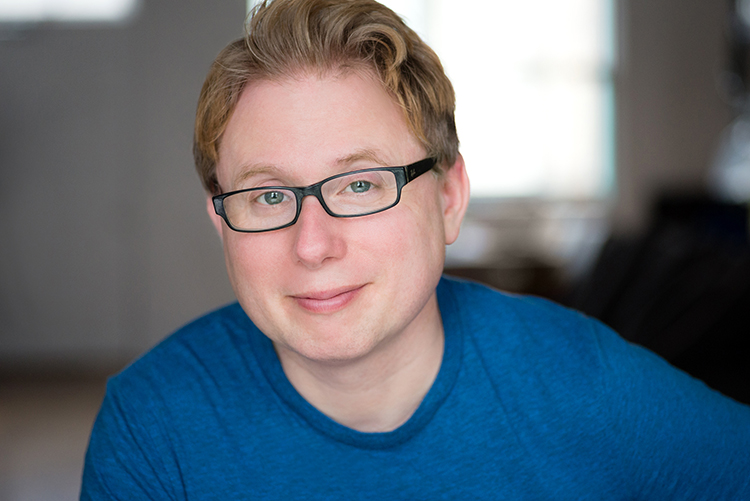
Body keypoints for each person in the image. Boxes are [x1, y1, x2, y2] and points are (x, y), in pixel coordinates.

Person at [81, 0, 750, 498]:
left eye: (361, 184)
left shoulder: (587, 386)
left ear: (450, 197)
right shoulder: (152, 429)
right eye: (269, 196)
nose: (312, 244)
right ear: (221, 220)